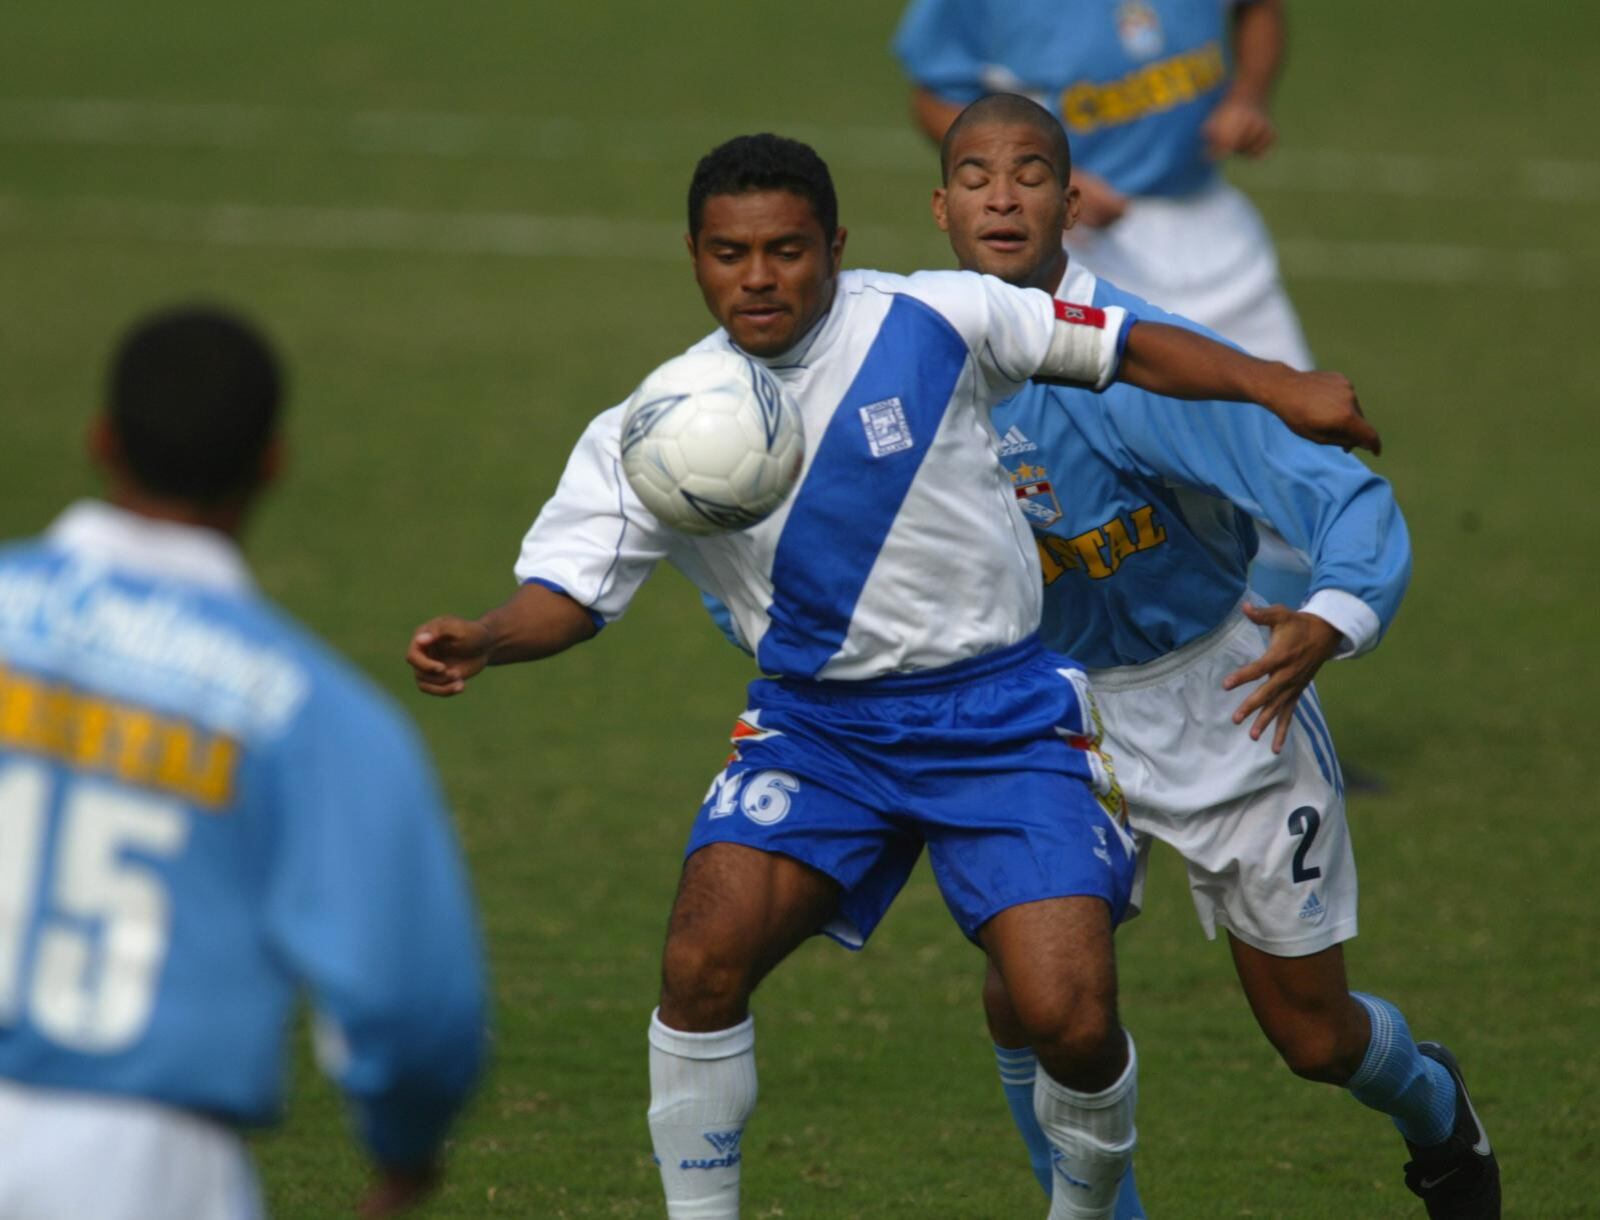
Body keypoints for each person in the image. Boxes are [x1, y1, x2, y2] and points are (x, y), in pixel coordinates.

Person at [406, 133, 1375, 1220]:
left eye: (785, 248)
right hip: (819, 732)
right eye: (730, 254)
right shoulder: (661, 426)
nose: (758, 276)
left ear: (835, 246)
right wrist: (490, 634)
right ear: (693, 256)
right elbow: (575, 591)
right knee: (698, 961)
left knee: (1070, 1015)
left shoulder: (936, 317)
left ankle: (1086, 1208)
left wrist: (1276, 384)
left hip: (1002, 714)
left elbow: (1122, 342)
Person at [930, 93, 1498, 1218]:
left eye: (1032, 172)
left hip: (1222, 697)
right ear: (939, 206)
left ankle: (1437, 1108)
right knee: (1033, 997)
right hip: (1056, 716)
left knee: (1311, 1032)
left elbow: (1335, 489)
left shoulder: (1146, 367)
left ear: (1073, 200)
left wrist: (1331, 614)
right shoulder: (920, 356)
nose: (1003, 194)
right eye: (979, 175)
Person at [0, 306, 489, 1219]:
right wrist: (405, 1157)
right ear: (272, 463)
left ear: (100, 441)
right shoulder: (315, 713)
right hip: (141, 1171)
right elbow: (412, 1007)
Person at [893, 0, 1329, 617]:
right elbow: (933, 94)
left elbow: (1258, 9)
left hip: (1213, 230)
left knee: (1301, 472)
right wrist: (1047, 180)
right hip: (1081, 249)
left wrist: (1247, 97)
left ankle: (1256, 671)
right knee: (1098, 499)